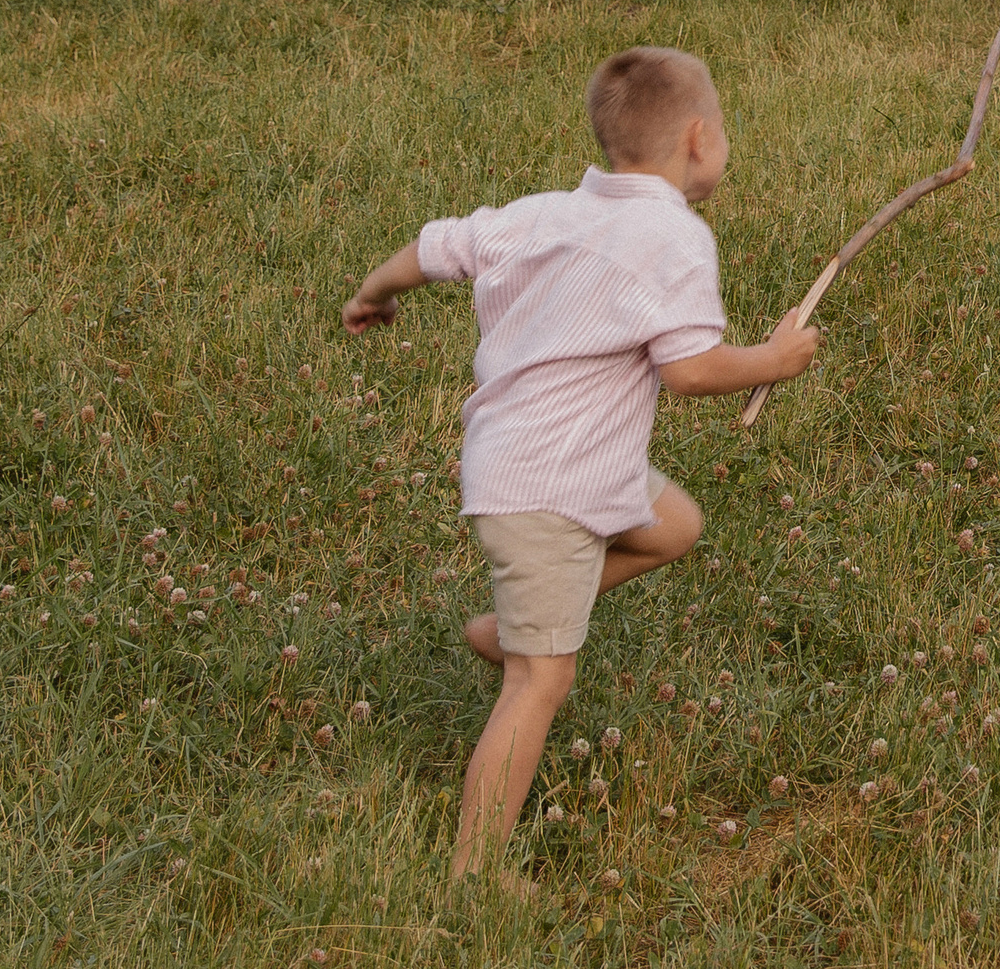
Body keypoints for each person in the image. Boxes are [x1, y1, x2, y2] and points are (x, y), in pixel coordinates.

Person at [340, 47, 818, 887]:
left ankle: (509, 628)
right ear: (699, 139)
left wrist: (373, 292)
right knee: (541, 681)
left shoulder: (543, 213)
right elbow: (690, 370)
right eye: (723, 125)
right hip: (550, 488)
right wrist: (773, 361)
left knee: (674, 525)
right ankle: (474, 875)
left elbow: (434, 247)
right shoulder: (675, 236)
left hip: (538, 464)